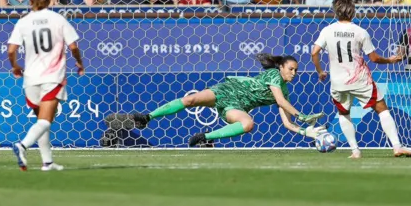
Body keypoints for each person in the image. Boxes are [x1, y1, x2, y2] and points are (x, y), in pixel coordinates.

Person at [131, 53, 326, 146]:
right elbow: (283, 103)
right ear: (281, 67)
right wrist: (302, 115)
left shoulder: (284, 93)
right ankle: (147, 118)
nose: (294, 73)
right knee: (191, 100)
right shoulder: (274, 76)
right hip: (228, 89)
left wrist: (306, 131)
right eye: (290, 69)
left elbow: (287, 123)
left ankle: (205, 138)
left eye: (296, 70)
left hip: (237, 105)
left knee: (248, 124)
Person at [310, 0, 411, 159]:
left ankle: (355, 151)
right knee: (381, 109)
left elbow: (314, 52)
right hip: (360, 79)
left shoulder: (327, 30)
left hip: (338, 82)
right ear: (352, 11)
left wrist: (320, 71)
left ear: (336, 11)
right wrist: (390, 60)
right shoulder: (360, 32)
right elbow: (374, 59)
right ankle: (397, 146)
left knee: (344, 113)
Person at [7, 0, 85, 171]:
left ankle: (47, 162)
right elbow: (73, 46)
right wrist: (79, 62)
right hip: (52, 77)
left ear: (30, 1)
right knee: (46, 121)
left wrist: (15, 66)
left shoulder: (24, 22)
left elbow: (11, 50)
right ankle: (22, 145)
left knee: (41, 121)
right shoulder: (58, 19)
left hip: (31, 79)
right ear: (49, 0)